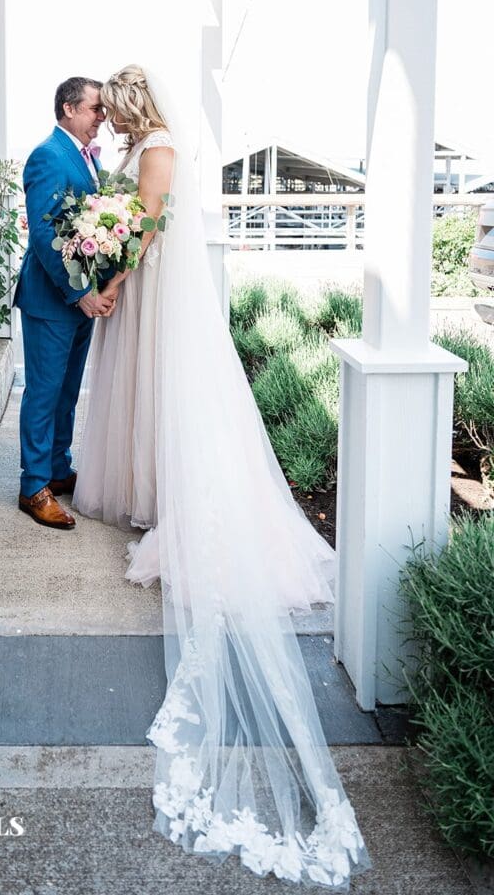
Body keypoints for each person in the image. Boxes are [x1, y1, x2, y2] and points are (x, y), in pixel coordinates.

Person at [72, 65, 371, 888]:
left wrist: (114, 273)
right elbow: (130, 215)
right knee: (139, 396)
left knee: (167, 396)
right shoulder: (144, 147)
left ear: (136, 106)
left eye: (119, 109)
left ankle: (180, 499)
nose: (118, 120)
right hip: (143, 288)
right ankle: (146, 488)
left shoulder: (159, 147)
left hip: (157, 289)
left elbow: (151, 225)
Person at [13, 77, 115, 531]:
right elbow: (46, 235)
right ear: (70, 108)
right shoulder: (48, 156)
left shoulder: (88, 158)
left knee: (68, 392)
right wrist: (80, 293)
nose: (103, 118)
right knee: (44, 393)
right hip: (53, 299)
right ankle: (33, 486)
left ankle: (57, 466)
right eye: (97, 109)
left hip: (80, 301)